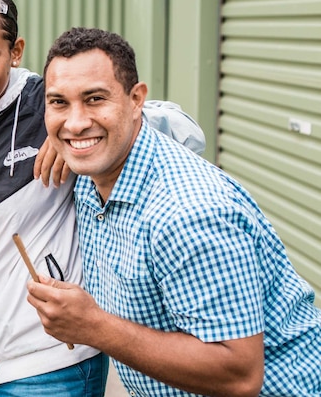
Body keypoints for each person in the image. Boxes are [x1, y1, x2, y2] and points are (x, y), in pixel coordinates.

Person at [0, 0, 206, 396]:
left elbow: (188, 133)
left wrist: (73, 132)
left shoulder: (50, 104)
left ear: (15, 52)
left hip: (52, 361)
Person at [27, 26, 321, 396]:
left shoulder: (189, 212)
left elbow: (240, 375)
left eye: (95, 98)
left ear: (137, 100)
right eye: (59, 103)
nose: (76, 121)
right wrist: (69, 140)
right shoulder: (93, 176)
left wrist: (94, 326)